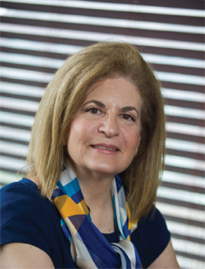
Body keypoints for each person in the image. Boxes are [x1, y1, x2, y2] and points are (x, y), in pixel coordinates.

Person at [0, 42, 180, 268]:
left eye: (127, 116)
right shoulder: (21, 210)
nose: (110, 128)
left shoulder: (145, 221)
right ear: (61, 124)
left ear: (141, 139)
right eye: (94, 110)